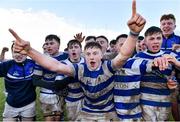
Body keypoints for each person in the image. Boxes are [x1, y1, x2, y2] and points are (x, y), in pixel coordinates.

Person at [10, 0, 146, 120]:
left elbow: (123, 55)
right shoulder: (79, 68)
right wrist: (30, 51)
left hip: (108, 112)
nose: (91, 56)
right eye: (88, 54)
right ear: (84, 56)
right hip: (87, 111)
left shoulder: (109, 66)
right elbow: (55, 66)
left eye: (95, 53)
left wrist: (134, 34)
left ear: (101, 55)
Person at [133, 26, 179, 121]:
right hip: (145, 101)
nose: (155, 41)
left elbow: (174, 75)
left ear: (162, 39)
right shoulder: (138, 57)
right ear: (145, 41)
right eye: (151, 39)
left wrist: (176, 62)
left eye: (158, 38)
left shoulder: (170, 55)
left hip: (164, 100)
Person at [33, 34, 68, 121]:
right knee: (49, 119)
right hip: (46, 94)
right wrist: (54, 86)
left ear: (59, 45)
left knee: (58, 118)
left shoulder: (66, 56)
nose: (48, 46)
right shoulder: (41, 59)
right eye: (47, 44)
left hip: (60, 95)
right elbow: (35, 81)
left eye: (51, 43)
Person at [0, 44, 36, 121]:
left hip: (29, 104)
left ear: (27, 52)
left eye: (21, 51)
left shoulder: (33, 64)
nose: (19, 54)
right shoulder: (7, 65)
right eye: (16, 52)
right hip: (11, 104)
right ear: (12, 54)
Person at [160, 13, 180, 120]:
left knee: (173, 99)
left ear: (175, 26)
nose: (166, 26)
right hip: (160, 74)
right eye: (164, 24)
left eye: (169, 23)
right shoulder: (156, 39)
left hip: (177, 73)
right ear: (160, 26)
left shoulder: (178, 39)